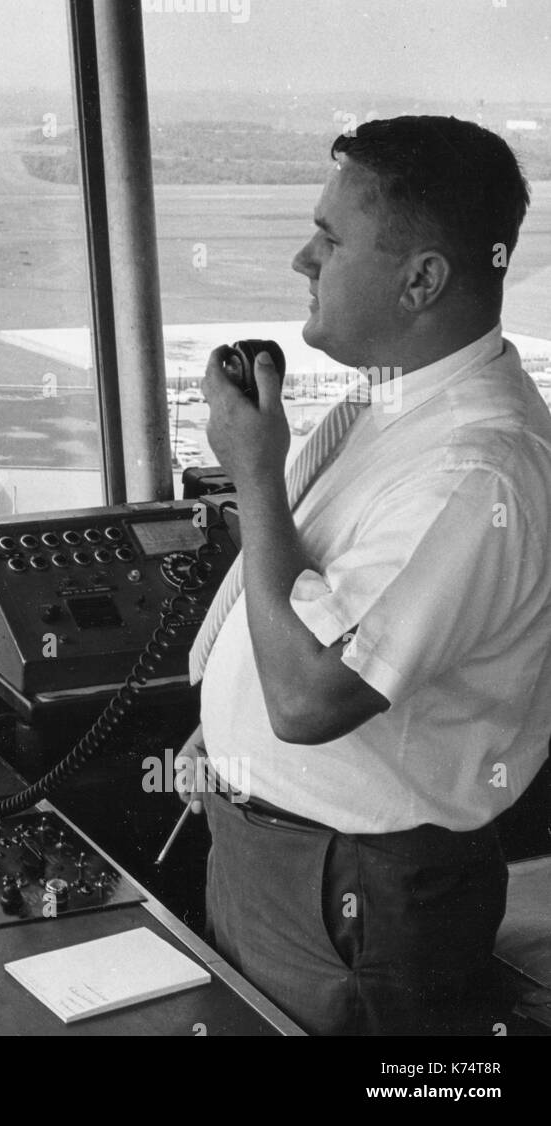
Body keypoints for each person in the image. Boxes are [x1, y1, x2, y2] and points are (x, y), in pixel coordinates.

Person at [177, 115, 551, 1035]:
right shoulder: (388, 407)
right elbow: (311, 602)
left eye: (331, 238)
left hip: (359, 890)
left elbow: (309, 700)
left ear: (422, 279)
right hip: (273, 853)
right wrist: (226, 742)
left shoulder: (475, 471)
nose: (305, 258)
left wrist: (256, 472)